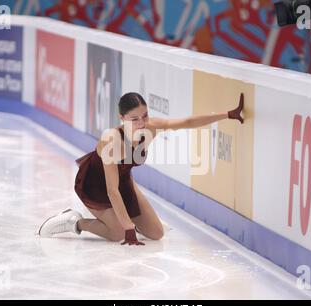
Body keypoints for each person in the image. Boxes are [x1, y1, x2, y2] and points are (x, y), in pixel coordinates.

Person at [37, 92, 244, 245]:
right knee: (117, 233)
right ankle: (75, 222)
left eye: (144, 116)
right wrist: (127, 227)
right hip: (96, 187)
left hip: (123, 182)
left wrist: (227, 114)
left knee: (156, 234)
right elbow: (111, 190)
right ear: (122, 118)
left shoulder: (151, 127)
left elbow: (187, 122)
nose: (142, 123)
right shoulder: (112, 140)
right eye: (134, 119)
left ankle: (132, 220)